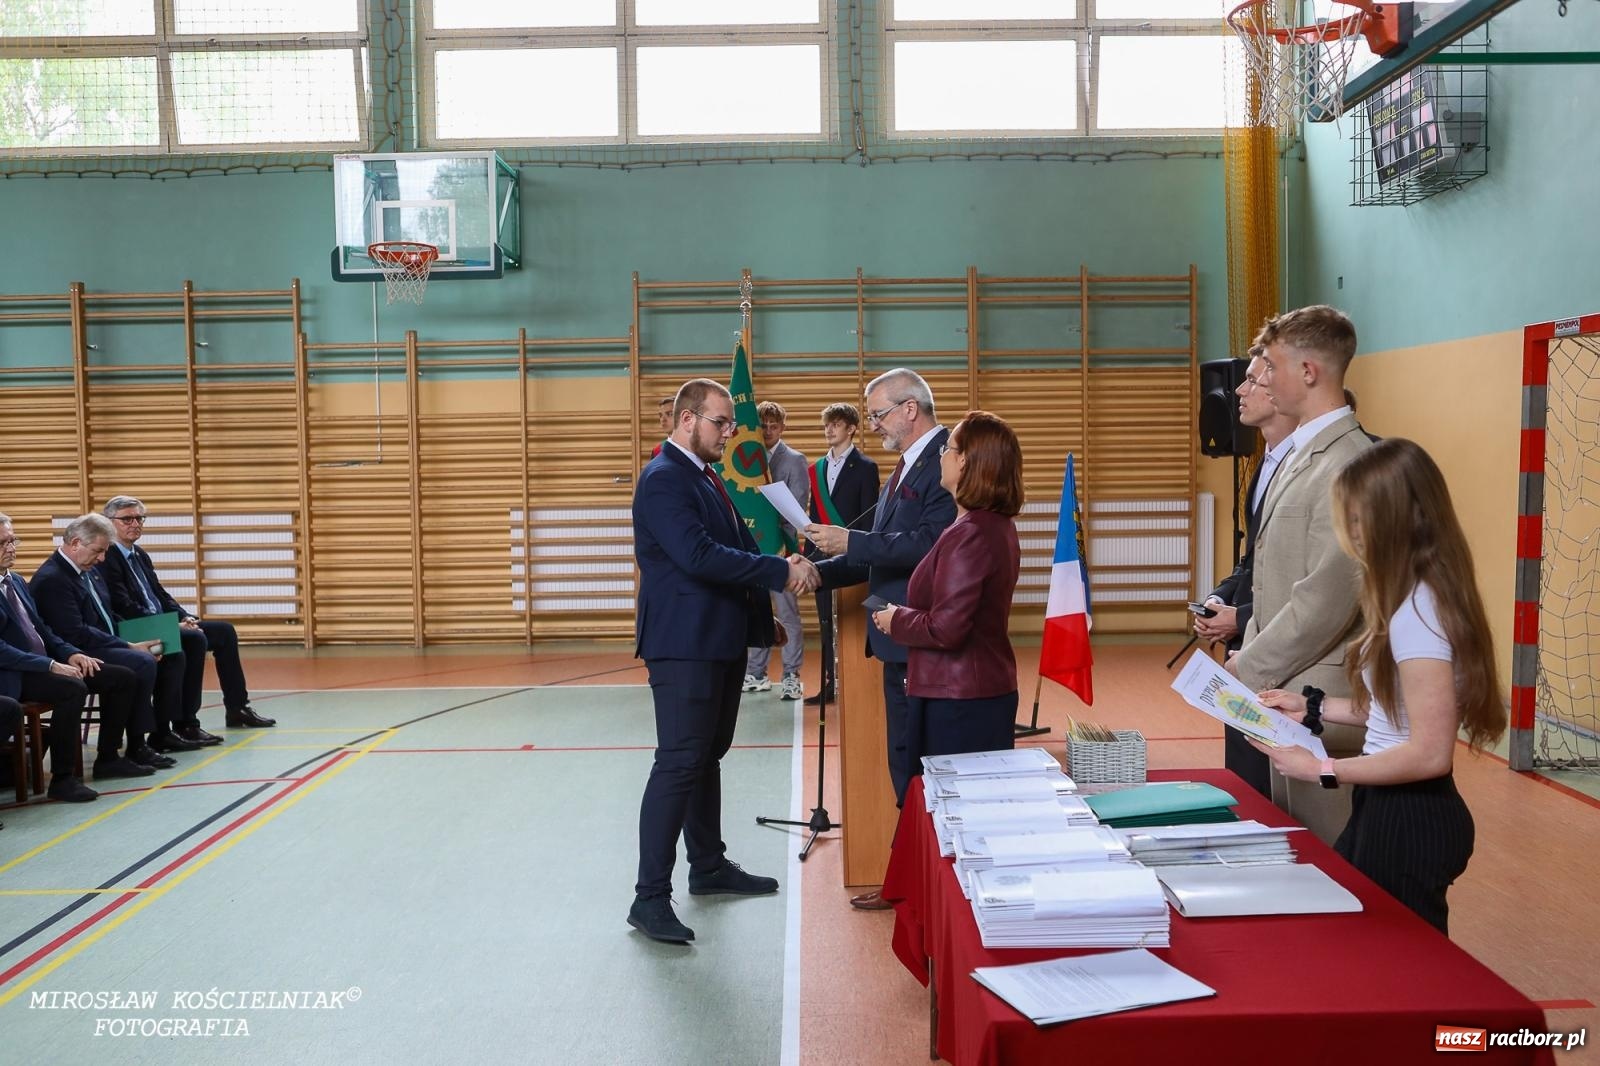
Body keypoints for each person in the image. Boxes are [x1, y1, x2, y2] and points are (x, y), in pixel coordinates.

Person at [1250, 438, 1505, 936]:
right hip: (1390, 806)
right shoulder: (1413, 596)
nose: (1350, 534)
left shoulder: (1419, 612)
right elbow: (1396, 713)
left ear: (1397, 519)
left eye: (1358, 519)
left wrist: (1321, 768)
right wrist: (1312, 707)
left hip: (1410, 815)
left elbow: (1430, 753)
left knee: (1411, 975)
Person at [629, 378, 812, 945]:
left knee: (706, 757)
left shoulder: (703, 477)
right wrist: (780, 571)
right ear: (688, 420)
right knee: (679, 762)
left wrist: (764, 620)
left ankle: (707, 865)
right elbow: (699, 556)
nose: (731, 433)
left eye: (731, 424)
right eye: (721, 423)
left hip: (717, 639)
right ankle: (649, 898)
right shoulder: (663, 480)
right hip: (685, 646)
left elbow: (732, 547)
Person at [803, 368, 956, 911]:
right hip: (898, 637)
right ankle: (913, 878)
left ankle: (929, 887)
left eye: (879, 414)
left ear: (910, 408)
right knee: (904, 761)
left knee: (920, 764)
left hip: (922, 636)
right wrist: (821, 568)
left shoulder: (945, 460)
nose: (873, 426)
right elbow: (879, 547)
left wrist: (853, 540)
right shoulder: (907, 465)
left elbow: (931, 543)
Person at [1227, 305, 1374, 844]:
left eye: (1271, 366)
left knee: (1332, 849)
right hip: (1286, 689)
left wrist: (1249, 663)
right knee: (1299, 841)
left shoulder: (1350, 463)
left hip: (1321, 690)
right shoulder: (1299, 455)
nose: (1262, 379)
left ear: (1308, 373)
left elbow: (1327, 598)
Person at [871, 411, 1023, 774]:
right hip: (969, 691)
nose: (941, 455)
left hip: (960, 698)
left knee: (956, 806)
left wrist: (897, 619)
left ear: (965, 461)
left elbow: (948, 628)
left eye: (948, 448)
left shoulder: (970, 532)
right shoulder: (989, 525)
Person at [1193, 345, 1298, 798]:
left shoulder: (1312, 467)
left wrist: (1243, 617)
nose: (1238, 388)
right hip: (1246, 650)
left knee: (1283, 792)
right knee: (1245, 782)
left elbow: (1314, 582)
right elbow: (1252, 559)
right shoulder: (1265, 465)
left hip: (1284, 655)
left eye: (1253, 379)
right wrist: (1220, 598)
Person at [97, 495, 274, 735]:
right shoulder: (107, 558)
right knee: (194, 639)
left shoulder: (139, 555)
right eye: (127, 519)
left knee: (224, 632)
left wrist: (185, 616)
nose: (135, 524)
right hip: (137, 628)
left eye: (139, 518)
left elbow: (159, 594)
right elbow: (123, 605)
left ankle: (237, 708)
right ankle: (186, 722)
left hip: (160, 622)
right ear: (109, 523)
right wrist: (171, 625)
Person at [28, 514, 189, 775]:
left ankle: (165, 730)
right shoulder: (53, 579)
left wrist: (138, 638)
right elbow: (76, 633)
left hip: (101, 641)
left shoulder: (86, 571)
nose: (102, 558)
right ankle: (135, 745)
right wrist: (128, 645)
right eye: (99, 551)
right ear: (76, 543)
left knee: (167, 650)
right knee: (142, 661)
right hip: (78, 651)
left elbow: (107, 614)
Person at [0, 512, 140, 803]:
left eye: (13, 541)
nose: (11, 548)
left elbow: (43, 630)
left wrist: (70, 653)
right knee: (71, 688)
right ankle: (63, 778)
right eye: (3, 543)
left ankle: (109, 756)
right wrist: (50, 664)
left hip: (40, 664)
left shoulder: (15, 581)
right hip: (13, 672)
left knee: (119, 676)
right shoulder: (49, 578)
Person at [804, 402, 879, 706]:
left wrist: (854, 549)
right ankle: (829, 684)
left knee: (852, 623)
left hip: (852, 558)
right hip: (821, 555)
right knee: (825, 623)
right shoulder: (817, 469)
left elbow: (868, 518)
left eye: (835, 424)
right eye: (826, 424)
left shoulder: (865, 467)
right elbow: (812, 516)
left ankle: (854, 681)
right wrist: (810, 554)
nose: (829, 429)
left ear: (851, 428)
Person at [742, 400, 809, 701]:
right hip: (752, 549)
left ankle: (792, 674)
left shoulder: (795, 460)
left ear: (783, 427)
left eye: (774, 425)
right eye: (764, 425)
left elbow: (796, 505)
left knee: (787, 612)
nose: (768, 430)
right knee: (756, 609)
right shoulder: (746, 459)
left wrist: (773, 529)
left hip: (782, 547)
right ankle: (756, 673)